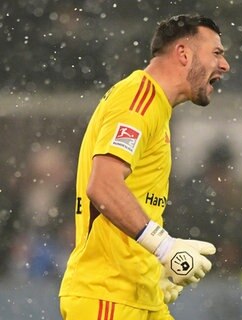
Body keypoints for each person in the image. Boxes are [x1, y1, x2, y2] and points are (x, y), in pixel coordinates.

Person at [59, 13, 230, 319]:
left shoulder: (156, 108)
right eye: (216, 53)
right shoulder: (139, 99)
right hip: (107, 298)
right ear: (183, 53)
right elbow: (103, 186)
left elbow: (132, 202)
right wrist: (165, 248)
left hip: (140, 297)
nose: (224, 65)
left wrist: (154, 266)